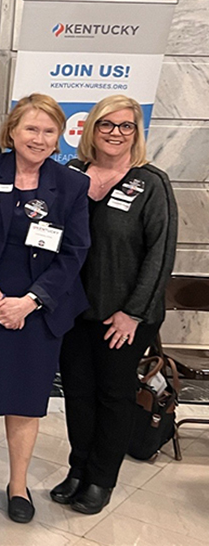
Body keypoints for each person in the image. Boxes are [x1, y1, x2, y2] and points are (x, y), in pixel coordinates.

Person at [0, 93, 90, 524]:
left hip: (37, 312)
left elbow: (74, 251)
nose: (40, 138)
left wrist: (28, 302)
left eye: (49, 131)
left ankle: (17, 484)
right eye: (31, 129)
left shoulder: (70, 184)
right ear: (11, 131)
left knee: (26, 403)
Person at [54, 95, 177, 514]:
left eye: (126, 126)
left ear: (136, 133)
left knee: (113, 394)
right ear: (92, 129)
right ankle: (77, 468)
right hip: (73, 310)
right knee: (77, 392)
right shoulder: (70, 174)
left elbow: (160, 255)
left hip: (123, 315)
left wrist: (133, 312)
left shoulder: (151, 183)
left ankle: (101, 479)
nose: (115, 133)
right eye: (107, 124)